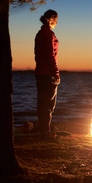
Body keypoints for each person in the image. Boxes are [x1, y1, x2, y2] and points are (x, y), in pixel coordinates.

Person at [34, 9, 60, 138]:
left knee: (42, 103)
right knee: (49, 104)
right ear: (51, 20)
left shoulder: (39, 34)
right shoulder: (48, 34)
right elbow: (51, 55)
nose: (56, 23)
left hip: (40, 72)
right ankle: (46, 132)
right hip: (48, 73)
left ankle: (43, 129)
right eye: (55, 20)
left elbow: (37, 54)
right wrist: (56, 73)